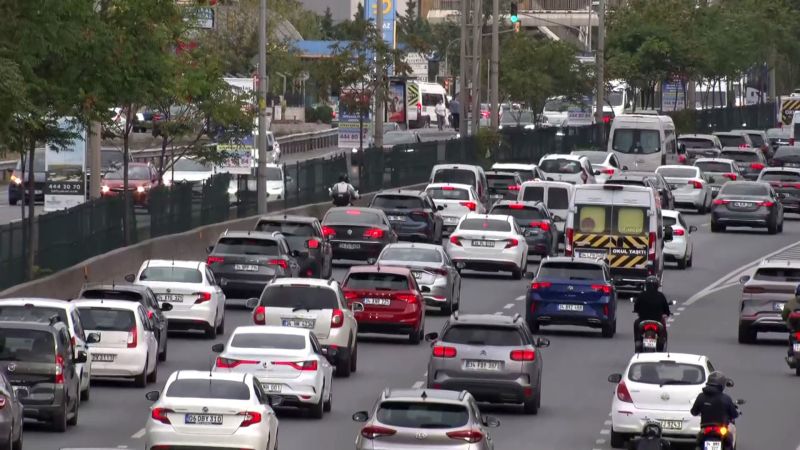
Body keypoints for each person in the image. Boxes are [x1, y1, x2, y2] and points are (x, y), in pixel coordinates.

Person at [690, 371, 739, 449]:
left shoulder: (701, 397)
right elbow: (734, 415)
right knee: (730, 440)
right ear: (722, 385)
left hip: (705, 430)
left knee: (698, 443)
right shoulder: (726, 398)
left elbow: (693, 412)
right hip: (722, 430)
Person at [633, 276, 672, 345]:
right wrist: (668, 313)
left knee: (636, 323)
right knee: (663, 326)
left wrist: (636, 310)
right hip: (657, 320)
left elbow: (636, 307)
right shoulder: (661, 295)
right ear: (657, 286)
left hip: (643, 320)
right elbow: (666, 308)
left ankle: (638, 340)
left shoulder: (642, 295)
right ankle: (662, 340)